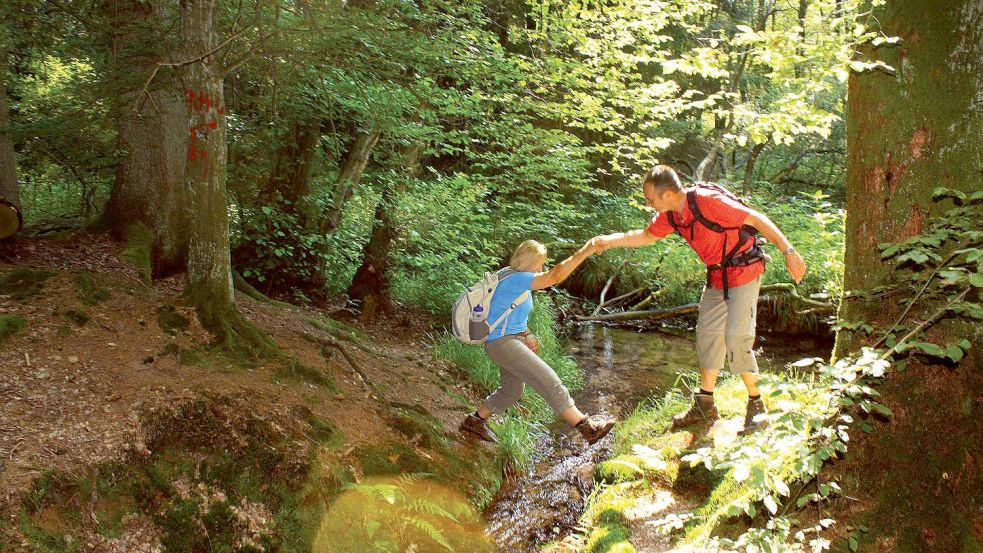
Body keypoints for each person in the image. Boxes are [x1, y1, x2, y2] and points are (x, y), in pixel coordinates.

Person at [593, 165, 806, 436]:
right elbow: (646, 236)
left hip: (744, 271)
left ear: (668, 194)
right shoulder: (671, 215)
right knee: (707, 336)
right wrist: (607, 241)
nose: (649, 205)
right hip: (717, 277)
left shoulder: (708, 201)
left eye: (651, 200)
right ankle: (705, 403)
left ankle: (757, 404)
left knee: (737, 338)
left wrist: (789, 252)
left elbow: (757, 219)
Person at [459, 239, 617, 445]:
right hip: (503, 344)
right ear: (529, 261)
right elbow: (555, 276)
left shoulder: (508, 275)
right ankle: (587, 427)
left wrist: (527, 333)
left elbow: (506, 311)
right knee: (549, 380)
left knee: (511, 392)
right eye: (540, 263)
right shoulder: (519, 279)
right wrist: (585, 251)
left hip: (506, 341)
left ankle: (474, 421)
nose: (541, 268)